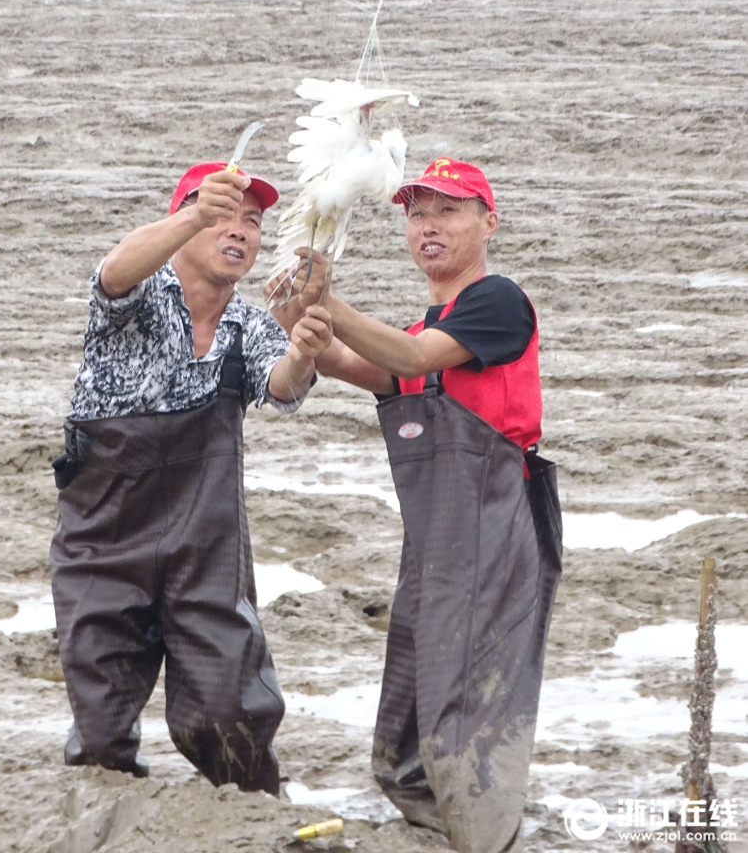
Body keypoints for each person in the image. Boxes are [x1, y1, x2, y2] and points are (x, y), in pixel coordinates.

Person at [271, 157, 562, 853]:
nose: (428, 226)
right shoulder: (428, 320)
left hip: (497, 524)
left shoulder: (496, 301)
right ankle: (433, 826)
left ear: (488, 222)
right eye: (415, 213)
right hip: (437, 536)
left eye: (448, 210)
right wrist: (306, 323)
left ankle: (484, 835)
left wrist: (330, 302)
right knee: (410, 707)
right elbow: (369, 368)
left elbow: (406, 356)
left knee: (470, 705)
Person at [50, 161, 332, 791]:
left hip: (205, 544)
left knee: (230, 710)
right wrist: (193, 213)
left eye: (252, 222)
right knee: (99, 727)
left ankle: (257, 814)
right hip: (104, 537)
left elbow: (283, 388)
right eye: (222, 216)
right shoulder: (137, 295)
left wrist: (303, 352)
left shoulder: (250, 325)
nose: (239, 231)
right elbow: (113, 271)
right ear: (186, 220)